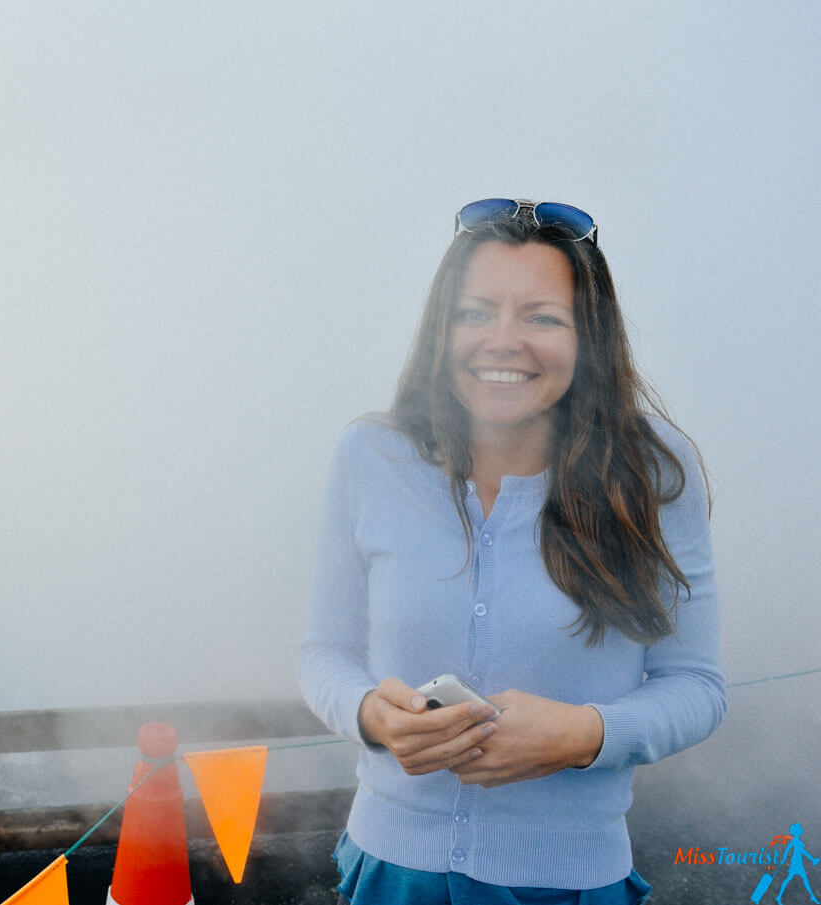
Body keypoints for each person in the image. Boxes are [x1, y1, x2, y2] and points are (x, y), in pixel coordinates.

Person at [299, 199, 725, 904]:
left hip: (568, 884)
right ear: (443, 328)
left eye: (541, 316)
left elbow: (699, 688)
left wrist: (583, 733)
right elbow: (324, 652)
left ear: (588, 337)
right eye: (476, 312)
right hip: (389, 872)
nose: (503, 340)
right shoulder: (371, 456)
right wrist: (371, 715)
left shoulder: (651, 471)